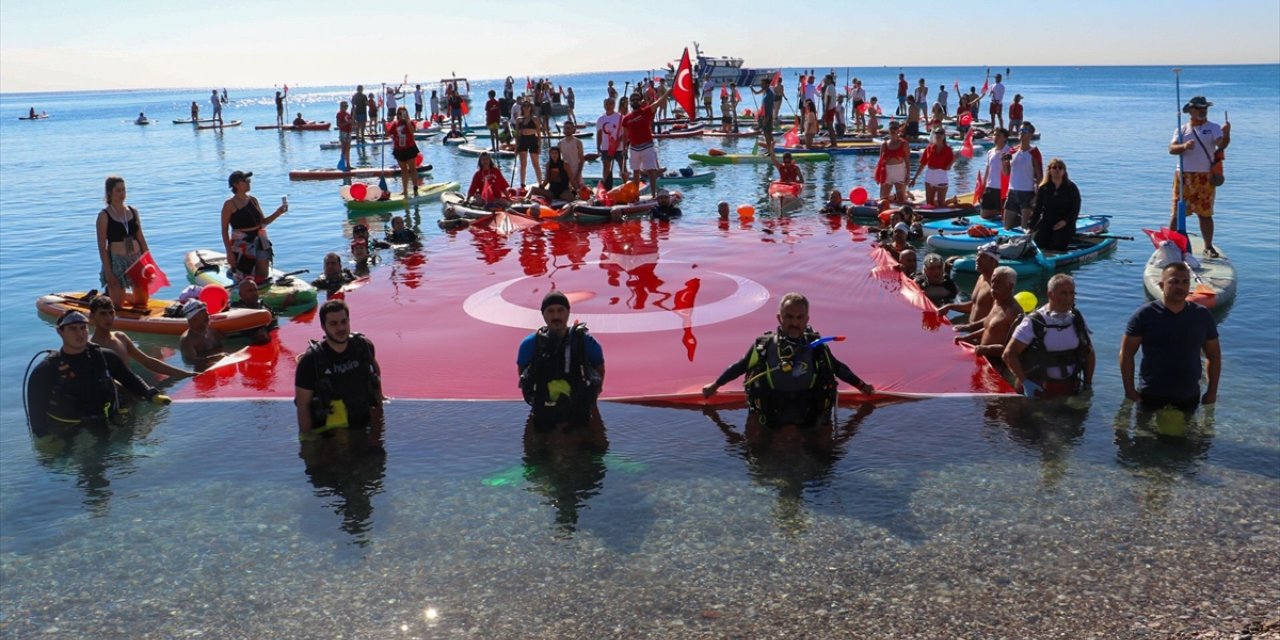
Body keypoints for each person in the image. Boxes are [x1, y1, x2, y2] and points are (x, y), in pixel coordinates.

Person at [702, 293, 874, 431]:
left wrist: (862, 386)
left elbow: (838, 368)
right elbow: (740, 366)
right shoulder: (764, 345)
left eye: (800, 318)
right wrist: (714, 386)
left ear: (807, 319)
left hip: (809, 409)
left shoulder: (818, 347)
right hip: (771, 409)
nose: (794, 322)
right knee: (753, 454)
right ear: (779, 318)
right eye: (789, 317)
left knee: (826, 457)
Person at [26, 311, 171, 436]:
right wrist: (42, 436)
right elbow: (35, 409)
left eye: (83, 328)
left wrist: (151, 394)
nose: (80, 334)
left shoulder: (105, 357)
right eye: (73, 329)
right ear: (60, 331)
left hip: (107, 421)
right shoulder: (46, 369)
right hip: (68, 429)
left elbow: (129, 379)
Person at [1120, 262, 1220, 413]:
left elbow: (1214, 356)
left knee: (1188, 436)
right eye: (1173, 282)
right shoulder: (1144, 315)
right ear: (1161, 285)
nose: (1180, 287)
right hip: (1151, 394)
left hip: (1188, 395)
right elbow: (1126, 354)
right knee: (1144, 435)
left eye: (1185, 282)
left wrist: (1212, 391)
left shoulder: (1202, 315)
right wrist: (1129, 390)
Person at [517, 291, 605, 430]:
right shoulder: (530, 344)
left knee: (591, 446)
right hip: (544, 405)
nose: (556, 316)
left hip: (579, 404)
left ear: (568, 312)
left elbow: (599, 366)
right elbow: (522, 371)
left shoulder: (585, 341)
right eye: (550, 311)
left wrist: (593, 398)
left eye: (560, 310)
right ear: (543, 314)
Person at [295, 299, 384, 435]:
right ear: (323, 327)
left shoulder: (364, 347)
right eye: (333, 324)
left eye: (344, 322)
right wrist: (307, 444)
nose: (341, 328)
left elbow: (375, 379)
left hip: (363, 426)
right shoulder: (310, 362)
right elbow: (302, 407)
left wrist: (379, 428)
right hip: (329, 434)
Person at [1003, 274, 1094, 399]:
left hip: (1070, 390)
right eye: (1063, 293)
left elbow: (1089, 353)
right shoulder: (1034, 322)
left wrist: (1088, 384)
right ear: (1050, 294)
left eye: (1071, 293)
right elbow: (1009, 354)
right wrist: (1025, 382)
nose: (1068, 298)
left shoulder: (1077, 319)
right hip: (1037, 390)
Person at [1168, 95, 1231, 258]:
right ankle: (1170, 244)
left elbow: (1221, 145)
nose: (1203, 111)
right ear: (1191, 110)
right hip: (1183, 175)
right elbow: (1171, 149)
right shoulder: (1182, 129)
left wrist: (1226, 135)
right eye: (1199, 108)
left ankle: (1208, 246)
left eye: (1205, 108)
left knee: (1205, 213)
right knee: (1177, 213)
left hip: (1204, 176)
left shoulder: (1214, 127)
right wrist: (1184, 146)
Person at [88, 295, 193, 379]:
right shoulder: (92, 348)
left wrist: (185, 374)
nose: (108, 318)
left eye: (111, 313)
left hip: (134, 386)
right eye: (103, 314)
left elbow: (148, 361)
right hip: (118, 396)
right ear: (92, 317)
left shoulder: (120, 337)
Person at [96, 176, 152, 310]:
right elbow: (102, 247)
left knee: (142, 302)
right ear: (110, 193)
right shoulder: (104, 216)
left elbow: (140, 237)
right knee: (117, 306)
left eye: (124, 190)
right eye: (118, 190)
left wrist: (149, 261)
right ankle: (111, 295)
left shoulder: (133, 211)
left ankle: (112, 295)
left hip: (136, 259)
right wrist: (109, 272)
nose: (122, 194)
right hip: (117, 261)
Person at [221, 171, 287, 283]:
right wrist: (229, 252)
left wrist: (278, 212)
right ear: (235, 184)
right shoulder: (230, 204)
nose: (248, 183)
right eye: (245, 181)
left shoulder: (253, 200)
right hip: (242, 243)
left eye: (249, 181)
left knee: (263, 275)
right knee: (246, 277)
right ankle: (233, 273)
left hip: (260, 240)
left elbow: (263, 222)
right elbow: (224, 229)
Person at [955, 266, 1021, 367]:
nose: (993, 286)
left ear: (1010, 286)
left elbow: (1016, 349)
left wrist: (988, 349)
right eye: (993, 281)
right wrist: (967, 337)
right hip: (982, 358)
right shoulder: (997, 302)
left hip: (997, 367)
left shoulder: (1013, 312)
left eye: (999, 283)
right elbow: (990, 328)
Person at [622, 86, 670, 198]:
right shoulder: (626, 118)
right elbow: (625, 135)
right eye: (632, 100)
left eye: (636, 99)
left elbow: (658, 102)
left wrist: (667, 93)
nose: (634, 101)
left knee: (651, 171)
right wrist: (624, 148)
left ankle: (653, 194)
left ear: (640, 101)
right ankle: (636, 195)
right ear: (630, 102)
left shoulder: (647, 111)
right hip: (634, 148)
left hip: (647, 146)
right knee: (636, 172)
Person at [1028, 158, 1081, 251]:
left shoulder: (1071, 187)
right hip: (1047, 221)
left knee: (1057, 245)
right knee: (1038, 243)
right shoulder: (1044, 187)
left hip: (1064, 222)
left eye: (1060, 168)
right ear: (1049, 170)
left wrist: (1065, 221)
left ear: (1064, 171)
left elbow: (1075, 208)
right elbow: (1038, 208)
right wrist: (1031, 227)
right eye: (1054, 167)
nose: (1057, 170)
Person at [939, 241, 999, 324]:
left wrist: (968, 329)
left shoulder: (997, 285)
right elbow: (975, 305)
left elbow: (997, 318)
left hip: (982, 333)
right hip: (971, 329)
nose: (977, 259)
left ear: (993, 262)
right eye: (977, 256)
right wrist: (950, 306)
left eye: (982, 257)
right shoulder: (981, 278)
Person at [1001, 121, 1043, 230]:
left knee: (1025, 227)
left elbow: (1040, 178)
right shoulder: (1013, 151)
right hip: (1012, 192)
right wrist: (1003, 162)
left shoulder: (1033, 153)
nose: (1021, 132)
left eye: (1025, 131)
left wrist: (1037, 197)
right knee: (1007, 226)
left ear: (1030, 134)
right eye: (1020, 130)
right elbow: (1006, 173)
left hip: (1027, 193)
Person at [910, 129, 956, 208]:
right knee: (929, 204)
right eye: (936, 133)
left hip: (941, 175)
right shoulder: (929, 148)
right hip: (929, 175)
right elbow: (922, 164)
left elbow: (947, 168)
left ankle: (951, 200)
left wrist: (954, 160)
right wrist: (914, 178)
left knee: (941, 204)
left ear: (944, 136)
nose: (938, 135)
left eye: (941, 133)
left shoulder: (948, 150)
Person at [178, 300, 227, 369]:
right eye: (202, 312)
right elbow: (190, 361)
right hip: (202, 371)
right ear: (192, 318)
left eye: (206, 311)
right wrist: (214, 358)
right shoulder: (187, 340)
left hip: (220, 366)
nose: (207, 314)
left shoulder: (214, 331)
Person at [980, 127, 1012, 221]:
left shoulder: (1008, 151)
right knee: (984, 215)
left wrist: (1004, 162)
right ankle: (998, 211)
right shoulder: (990, 152)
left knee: (1003, 216)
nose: (995, 137)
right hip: (990, 187)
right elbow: (987, 170)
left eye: (998, 135)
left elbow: (1007, 173)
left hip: (1002, 188)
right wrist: (983, 186)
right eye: (994, 134)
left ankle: (1002, 212)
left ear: (1005, 138)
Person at [388, 107, 421, 197]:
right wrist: (384, 125)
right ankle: (405, 190)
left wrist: (407, 121)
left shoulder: (410, 122)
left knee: (412, 169)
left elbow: (412, 131)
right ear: (397, 115)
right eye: (399, 113)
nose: (401, 115)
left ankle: (415, 188)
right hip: (399, 150)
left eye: (403, 113)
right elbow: (388, 133)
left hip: (410, 148)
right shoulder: (395, 124)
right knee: (403, 170)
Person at [875, 121, 911, 204]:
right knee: (883, 199)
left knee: (901, 200)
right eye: (891, 128)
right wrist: (878, 176)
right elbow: (880, 162)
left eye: (895, 128)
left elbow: (907, 161)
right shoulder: (884, 145)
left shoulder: (904, 144)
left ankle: (906, 195)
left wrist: (908, 175)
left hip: (899, 172)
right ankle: (894, 196)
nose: (893, 130)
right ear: (889, 130)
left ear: (899, 130)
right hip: (887, 172)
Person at [595, 97, 624, 190]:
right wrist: (598, 146)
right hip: (606, 148)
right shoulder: (601, 119)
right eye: (606, 104)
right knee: (606, 167)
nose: (608, 106)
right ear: (604, 105)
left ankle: (625, 185)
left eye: (610, 104)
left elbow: (625, 133)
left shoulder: (620, 117)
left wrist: (619, 142)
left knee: (622, 167)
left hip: (618, 148)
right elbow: (599, 134)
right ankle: (607, 187)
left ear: (614, 105)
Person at [513, 99, 542, 189]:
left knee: (535, 163)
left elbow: (539, 134)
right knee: (523, 163)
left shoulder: (535, 119)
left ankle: (540, 183)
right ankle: (522, 184)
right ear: (522, 108)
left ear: (530, 108)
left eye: (528, 106)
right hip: (523, 140)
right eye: (524, 106)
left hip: (533, 139)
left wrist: (539, 146)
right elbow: (517, 135)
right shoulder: (519, 119)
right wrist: (516, 147)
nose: (526, 107)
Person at [556, 121, 585, 192]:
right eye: (565, 128)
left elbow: (581, 159)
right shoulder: (560, 143)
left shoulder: (578, 142)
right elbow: (558, 160)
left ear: (573, 129)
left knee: (581, 192)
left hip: (576, 170)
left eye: (569, 128)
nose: (567, 130)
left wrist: (578, 174)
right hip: (565, 172)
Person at [336, 101, 353, 170]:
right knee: (344, 149)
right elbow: (338, 124)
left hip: (348, 132)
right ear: (341, 106)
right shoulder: (339, 114)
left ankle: (348, 165)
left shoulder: (348, 114)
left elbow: (351, 122)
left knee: (348, 149)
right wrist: (348, 123)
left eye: (346, 106)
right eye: (344, 106)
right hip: (343, 132)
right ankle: (344, 164)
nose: (345, 107)